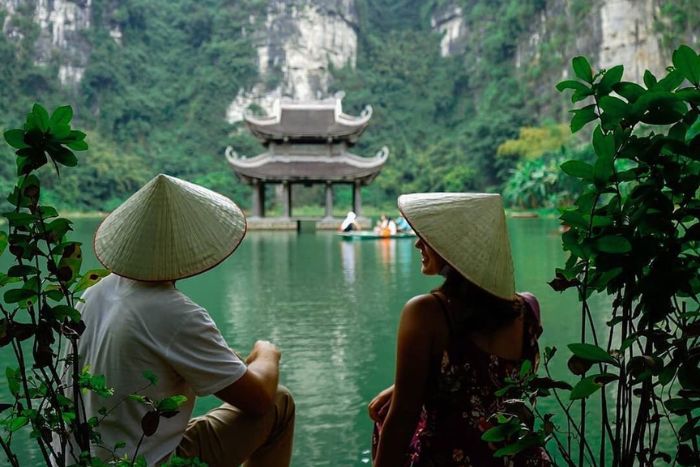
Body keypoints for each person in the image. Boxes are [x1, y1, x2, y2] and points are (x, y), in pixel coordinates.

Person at [70, 174, 295, 466]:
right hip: (149, 461)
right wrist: (268, 352)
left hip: (85, 457)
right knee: (279, 401)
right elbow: (258, 399)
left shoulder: (92, 293)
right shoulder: (173, 312)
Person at [369, 193, 551, 466]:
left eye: (428, 238)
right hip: (519, 457)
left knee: (385, 418)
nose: (418, 243)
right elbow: (485, 379)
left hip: (451, 458)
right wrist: (402, 385)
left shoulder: (425, 313)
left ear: (455, 248)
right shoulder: (527, 308)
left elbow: (402, 419)